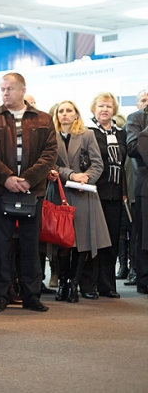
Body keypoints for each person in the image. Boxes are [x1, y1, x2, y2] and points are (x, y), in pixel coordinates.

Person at [0, 72, 57, 313]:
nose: (5, 93)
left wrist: (27, 179)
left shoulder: (43, 119)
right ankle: (0, 295)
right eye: (2, 89)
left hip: (31, 191)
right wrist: (7, 178)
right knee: (1, 246)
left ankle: (31, 295)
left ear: (23, 90)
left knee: (31, 246)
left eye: (10, 88)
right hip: (1, 191)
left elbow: (50, 153)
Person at [52, 101, 111, 302]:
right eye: (61, 111)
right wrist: (72, 175)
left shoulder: (87, 135)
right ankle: (62, 283)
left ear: (76, 114)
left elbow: (98, 164)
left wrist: (85, 178)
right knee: (62, 241)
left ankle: (74, 284)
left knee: (82, 242)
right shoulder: (51, 136)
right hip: (60, 194)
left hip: (83, 194)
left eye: (69, 110)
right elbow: (50, 165)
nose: (65, 114)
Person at [86, 93, 126, 298]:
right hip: (94, 193)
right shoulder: (88, 132)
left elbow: (125, 165)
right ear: (94, 109)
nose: (105, 110)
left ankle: (107, 285)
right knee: (93, 241)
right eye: (100, 106)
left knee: (111, 241)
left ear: (114, 110)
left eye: (109, 106)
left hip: (115, 194)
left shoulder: (121, 134)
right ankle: (89, 285)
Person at [125, 90, 148, 295]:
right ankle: (144, 280)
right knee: (144, 236)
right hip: (145, 184)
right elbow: (132, 148)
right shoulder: (136, 118)